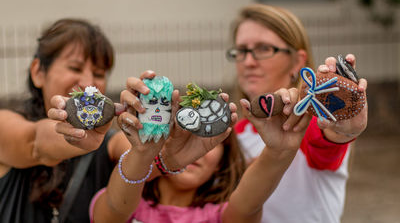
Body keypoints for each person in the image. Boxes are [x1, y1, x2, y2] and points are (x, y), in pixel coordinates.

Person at [88, 74, 312, 223]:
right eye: (183, 129)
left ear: (222, 161)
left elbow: (249, 205)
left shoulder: (220, 217)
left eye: (207, 134)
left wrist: (280, 152)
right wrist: (147, 153)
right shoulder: (130, 206)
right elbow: (114, 209)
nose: (190, 142)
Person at [226, 4, 368, 223]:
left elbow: (331, 139)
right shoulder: (230, 133)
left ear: (298, 61)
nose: (249, 62)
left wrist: (343, 127)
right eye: (242, 50)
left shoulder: (312, 121)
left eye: (264, 49)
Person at [0, 18, 121, 223]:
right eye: (75, 68)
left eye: (99, 74)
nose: (88, 83)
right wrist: (75, 136)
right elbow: (36, 142)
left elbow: (137, 152)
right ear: (38, 72)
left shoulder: (110, 143)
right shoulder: (5, 123)